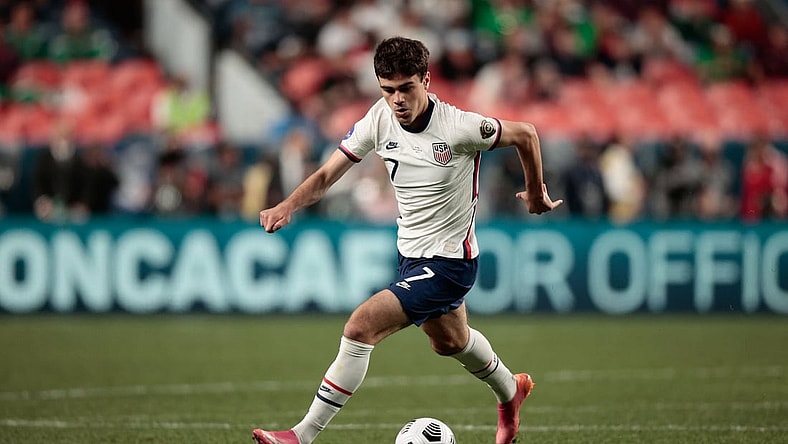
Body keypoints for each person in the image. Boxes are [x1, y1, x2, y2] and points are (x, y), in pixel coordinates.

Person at [255, 36, 562, 444]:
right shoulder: (378, 119)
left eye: (406, 88)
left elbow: (526, 133)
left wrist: (536, 191)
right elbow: (328, 174)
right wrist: (288, 205)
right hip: (410, 257)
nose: (397, 100)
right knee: (450, 342)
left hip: (451, 262)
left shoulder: (459, 127)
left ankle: (301, 435)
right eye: (388, 89)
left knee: (360, 327)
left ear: (427, 80)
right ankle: (511, 391)